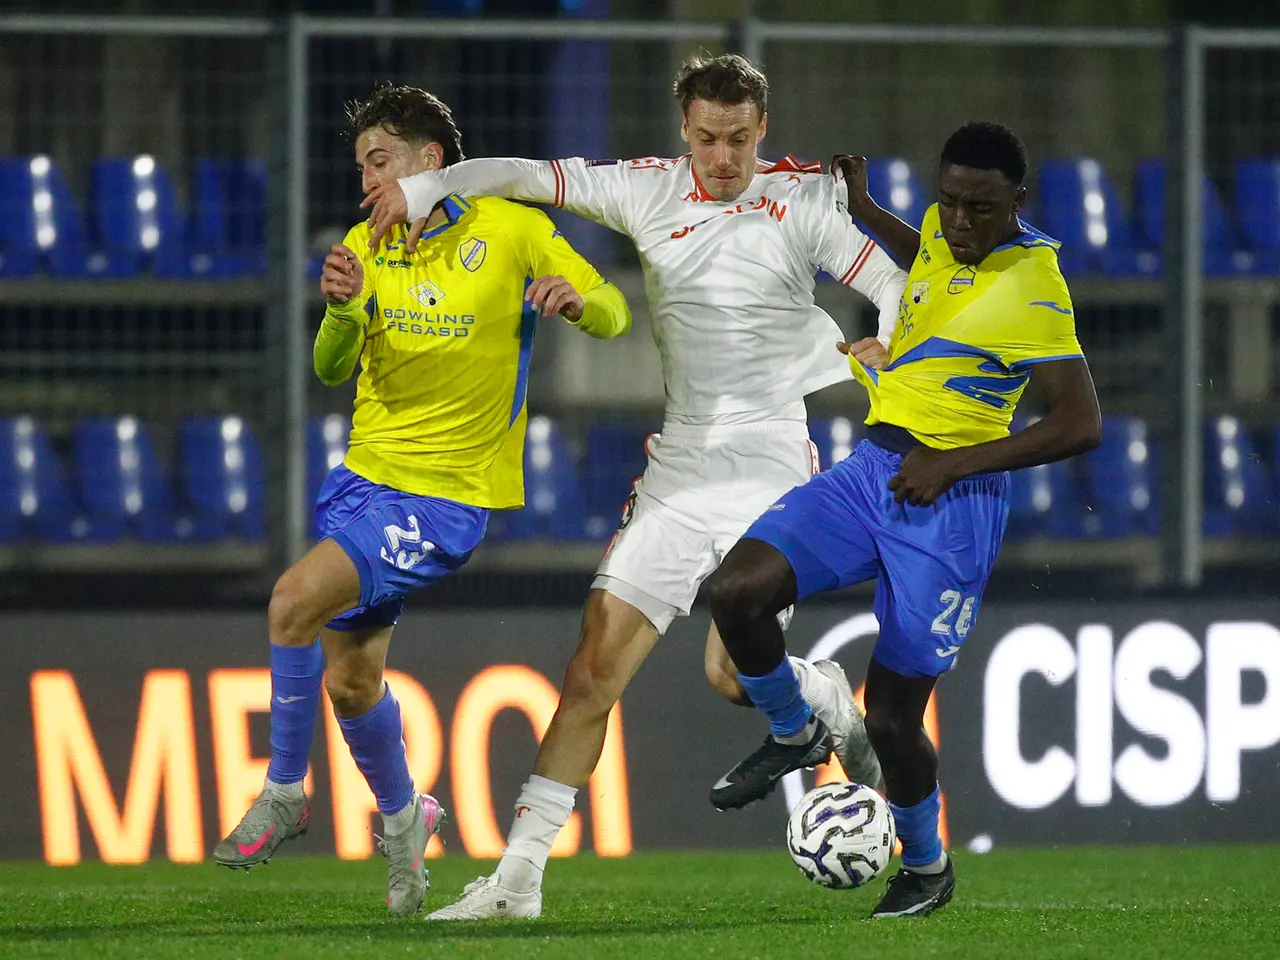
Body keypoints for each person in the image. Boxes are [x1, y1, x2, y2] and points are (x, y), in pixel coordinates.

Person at [361, 54, 907, 920]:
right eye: (704, 138)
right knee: (590, 671)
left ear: (761, 131)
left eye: (736, 139)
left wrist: (889, 339)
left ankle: (821, 696)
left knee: (732, 677)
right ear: (682, 131)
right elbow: (523, 175)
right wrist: (428, 190)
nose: (721, 156)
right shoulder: (644, 189)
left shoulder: (804, 201)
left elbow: (895, 280)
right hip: (683, 461)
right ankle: (517, 882)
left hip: (771, 461)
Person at [211, 84, 631, 916]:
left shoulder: (511, 229)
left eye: (380, 161)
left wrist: (581, 304)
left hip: (445, 498)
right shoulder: (367, 243)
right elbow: (334, 367)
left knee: (291, 602)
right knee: (352, 684)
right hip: (363, 481)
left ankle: (287, 793)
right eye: (361, 164)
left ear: (430, 161)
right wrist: (340, 307)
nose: (366, 179)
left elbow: (616, 309)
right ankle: (408, 822)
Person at [704, 122, 1103, 918]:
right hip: (873, 473)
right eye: (948, 202)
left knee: (889, 717)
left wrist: (950, 464)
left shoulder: (1034, 285)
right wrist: (864, 207)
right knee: (737, 590)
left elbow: (1080, 423)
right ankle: (795, 731)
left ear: (1016, 203)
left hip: (950, 504)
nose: (958, 223)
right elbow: (923, 253)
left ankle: (925, 867)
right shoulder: (939, 231)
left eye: (979, 209)